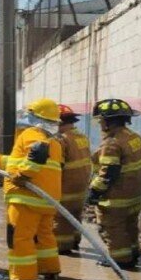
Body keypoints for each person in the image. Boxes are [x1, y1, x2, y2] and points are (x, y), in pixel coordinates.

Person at [0, 98, 63, 280]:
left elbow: (36, 153)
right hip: (47, 200)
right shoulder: (54, 142)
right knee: (44, 236)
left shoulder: (32, 133)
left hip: (26, 198)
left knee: (20, 237)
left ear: (33, 116)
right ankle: (49, 269)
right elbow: (18, 161)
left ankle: (23, 278)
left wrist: (22, 175)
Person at [88, 98, 141, 269]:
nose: (100, 123)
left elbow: (108, 173)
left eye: (101, 120)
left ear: (108, 121)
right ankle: (133, 253)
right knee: (130, 227)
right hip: (134, 196)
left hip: (116, 199)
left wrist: (94, 192)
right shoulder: (134, 138)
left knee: (113, 229)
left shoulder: (112, 143)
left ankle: (120, 261)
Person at [55, 104, 92, 254]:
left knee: (61, 218)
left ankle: (62, 248)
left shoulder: (61, 140)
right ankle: (75, 242)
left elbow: (56, 166)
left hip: (66, 188)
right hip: (81, 188)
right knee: (75, 216)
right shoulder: (82, 137)